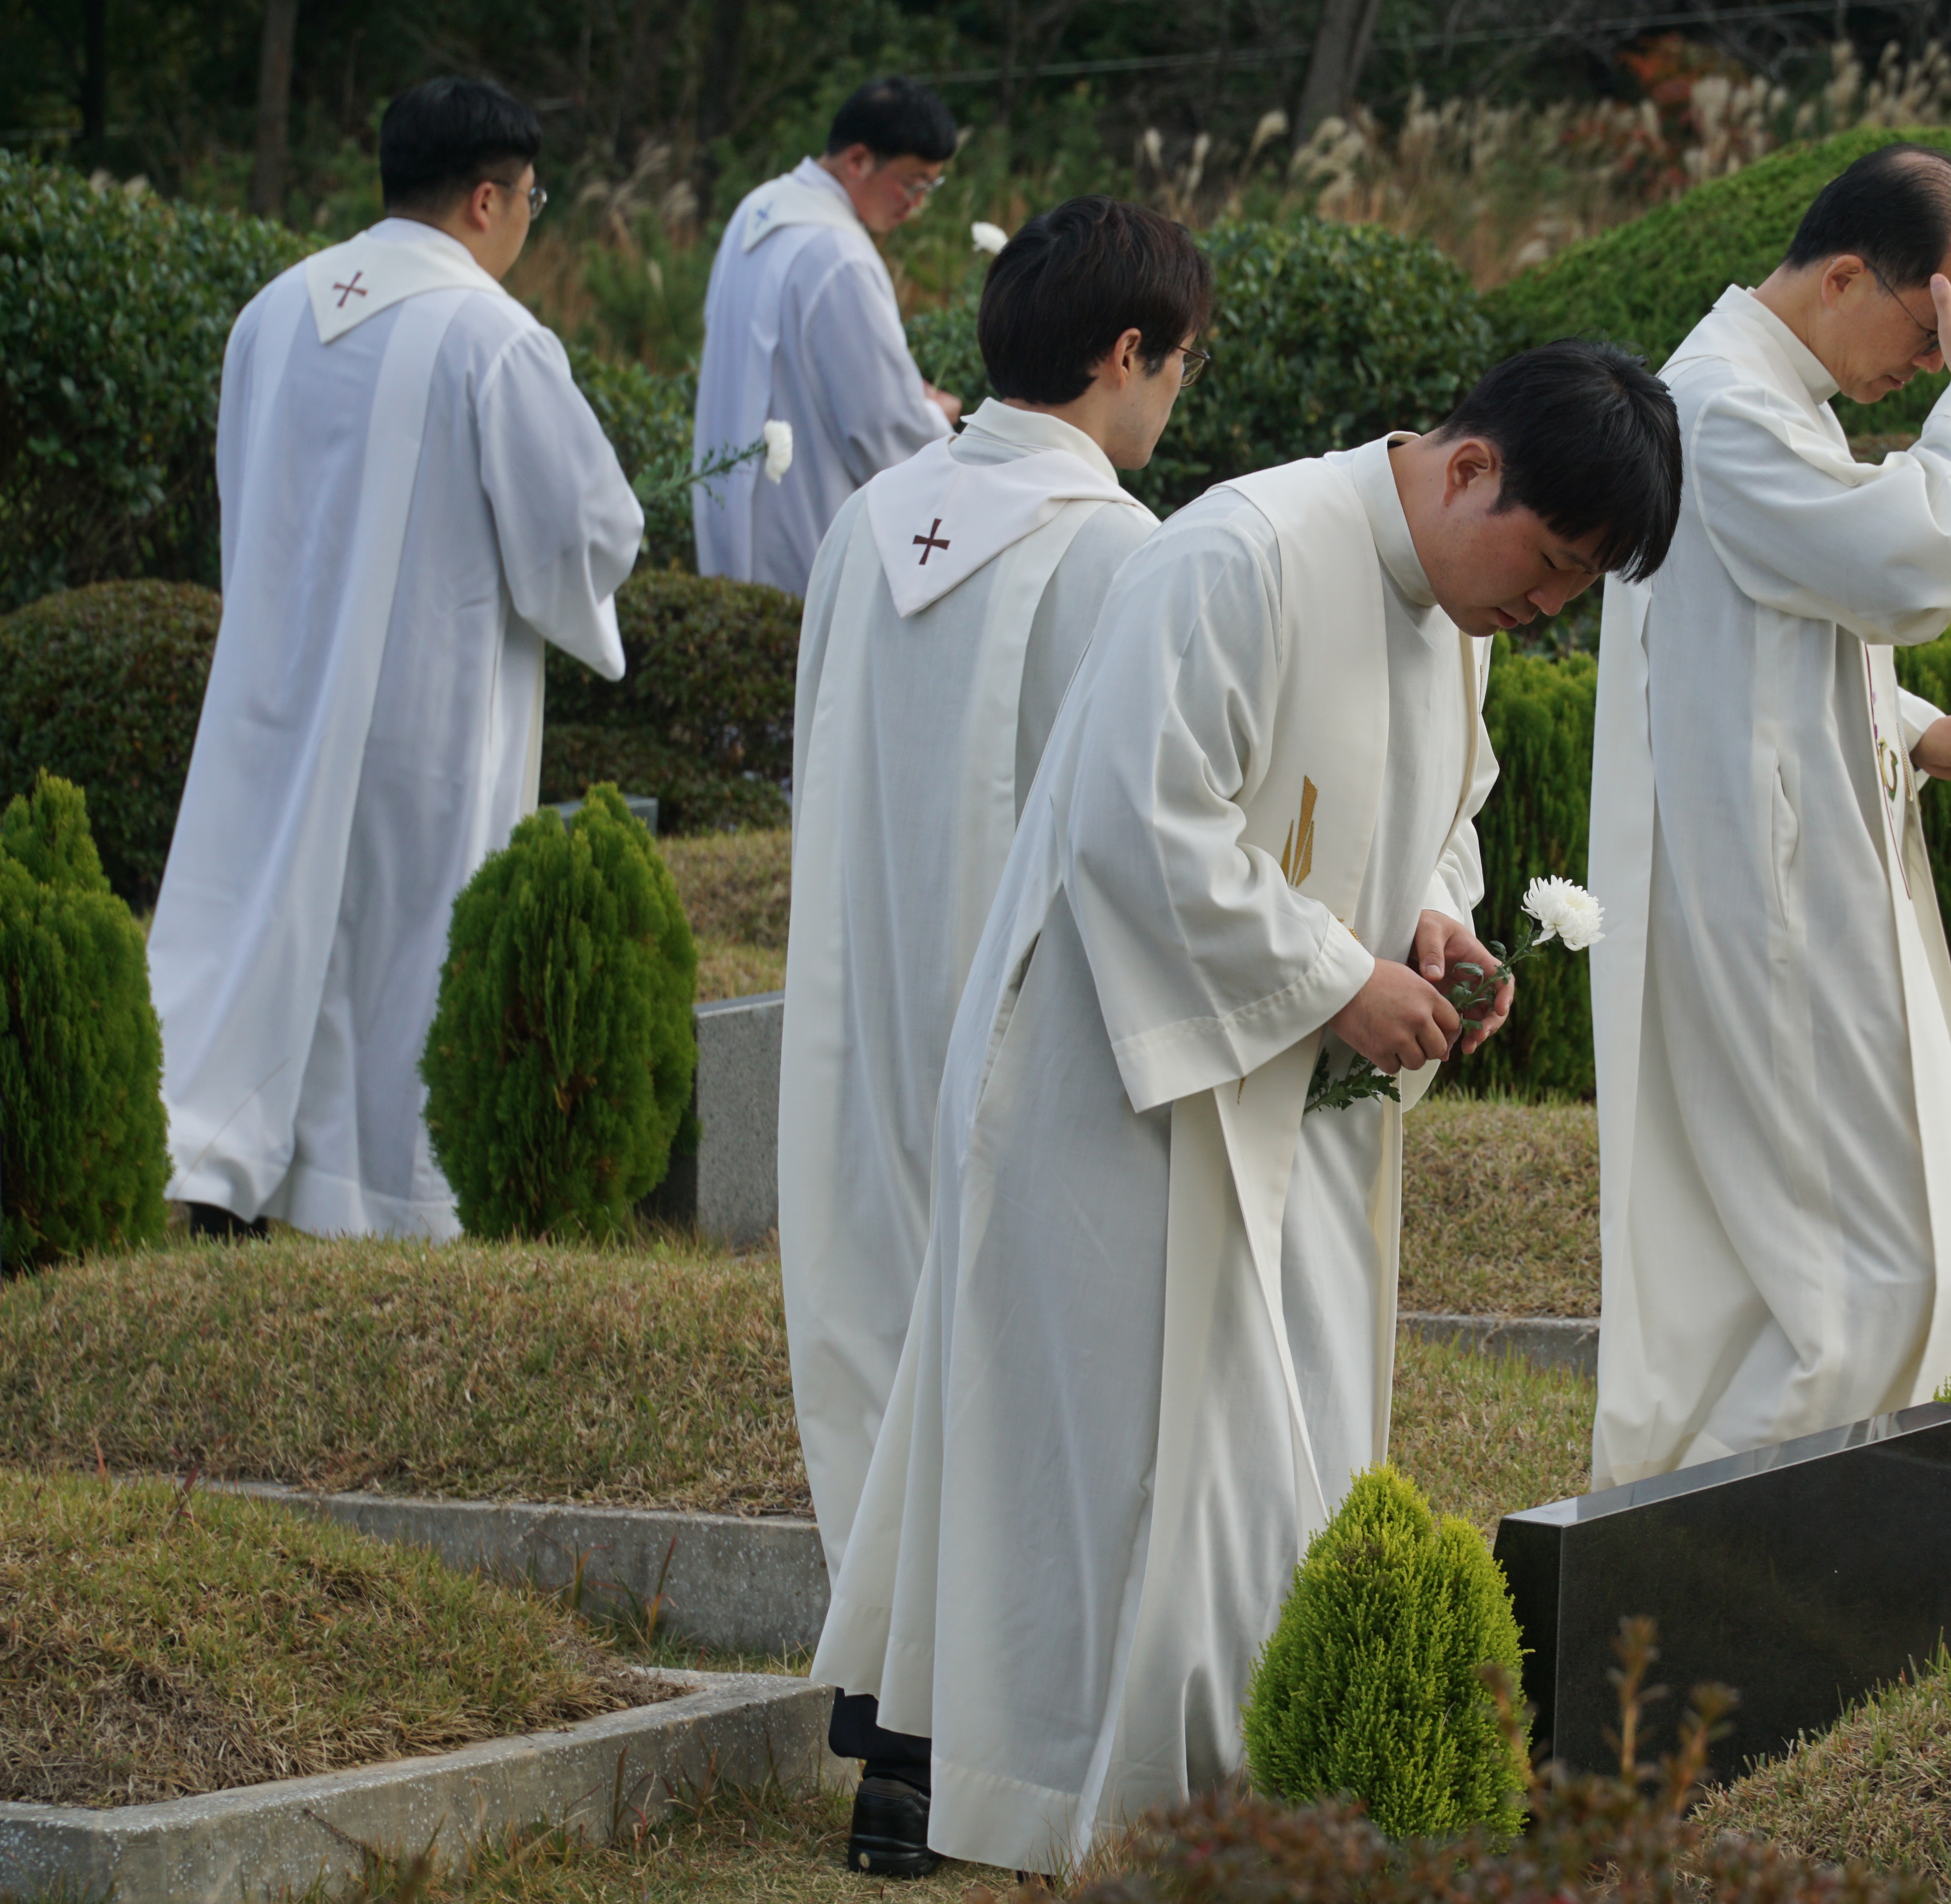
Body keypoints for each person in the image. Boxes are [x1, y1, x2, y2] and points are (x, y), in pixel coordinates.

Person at [808, 342, 1681, 1874]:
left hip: (1280, 1084)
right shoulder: (1244, 549)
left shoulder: (1448, 613)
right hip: (1112, 1075)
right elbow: (1137, 816)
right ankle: (963, 1769)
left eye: (1570, 594)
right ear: (1470, 467)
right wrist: (1336, 975)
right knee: (1081, 1449)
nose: (1538, 612)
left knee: (1239, 1458)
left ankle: (1187, 1775)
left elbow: (1432, 808)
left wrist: (1433, 925)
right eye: (1543, 569)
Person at [772, 196, 1208, 1865]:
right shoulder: (1114, 550)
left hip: (864, 1011)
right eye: (1176, 368)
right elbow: (1146, 823)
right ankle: (951, 1749)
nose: (1173, 402)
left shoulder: (874, 516)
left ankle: (891, 1738)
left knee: (891, 1332)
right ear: (1125, 357)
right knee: (1014, 1374)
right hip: (1020, 1038)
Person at [1586, 142, 1951, 1492]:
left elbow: (1775, 634)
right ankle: (1687, 1570)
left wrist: (1909, 727)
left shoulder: (1762, 398)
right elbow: (1895, 566)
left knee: (1846, 1264)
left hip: (1790, 876)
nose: (1933, 359)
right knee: (1862, 1270)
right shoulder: (1723, 407)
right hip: (1766, 903)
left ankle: (1779, 1558)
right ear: (1847, 272)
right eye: (1928, 327)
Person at [147, 78, 639, 1240]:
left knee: (279, 916)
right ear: (486, 198)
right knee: (407, 938)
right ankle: (379, 1200)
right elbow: (586, 533)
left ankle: (240, 1169)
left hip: (276, 689)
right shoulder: (494, 336)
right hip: (430, 701)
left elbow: (244, 498)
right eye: (532, 199)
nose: (530, 219)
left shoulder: (271, 311)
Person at [694, 76, 965, 597]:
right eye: (913, 185)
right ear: (859, 161)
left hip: (730, 510)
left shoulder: (758, 209)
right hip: (801, 528)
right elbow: (884, 429)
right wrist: (937, 414)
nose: (917, 205)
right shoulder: (840, 258)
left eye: (930, 188)